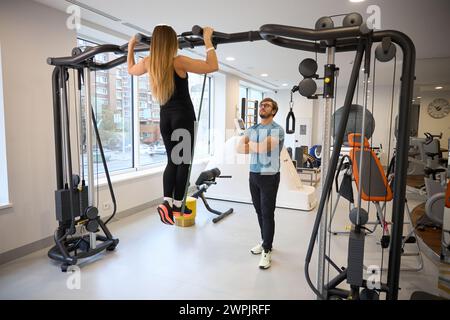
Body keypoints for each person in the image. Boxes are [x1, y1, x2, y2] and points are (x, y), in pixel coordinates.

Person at [127, 25, 218, 225]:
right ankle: (176, 205)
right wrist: (208, 41)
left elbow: (131, 70)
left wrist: (131, 45)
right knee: (183, 162)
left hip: (165, 119)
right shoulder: (179, 61)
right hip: (183, 118)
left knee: (172, 161)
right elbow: (212, 66)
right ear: (172, 43)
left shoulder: (149, 62)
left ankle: (168, 203)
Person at [236, 98, 285, 269]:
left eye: (267, 105)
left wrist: (252, 144)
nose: (262, 107)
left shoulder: (277, 130)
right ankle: (266, 241)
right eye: (261, 105)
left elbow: (264, 148)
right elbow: (239, 148)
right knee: (258, 211)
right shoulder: (253, 128)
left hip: (269, 175)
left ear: (273, 111)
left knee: (267, 212)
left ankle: (267, 250)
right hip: (254, 174)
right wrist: (258, 145)